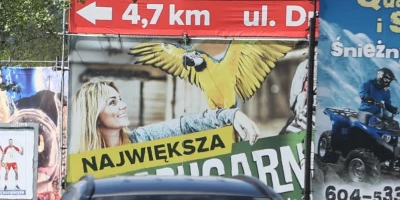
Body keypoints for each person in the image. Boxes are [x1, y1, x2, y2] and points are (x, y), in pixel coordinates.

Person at [70, 79, 261, 155]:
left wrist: (231, 115)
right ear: (94, 116)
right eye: (112, 102)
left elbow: (185, 126)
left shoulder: (143, 139)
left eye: (120, 99)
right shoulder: (83, 167)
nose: (124, 105)